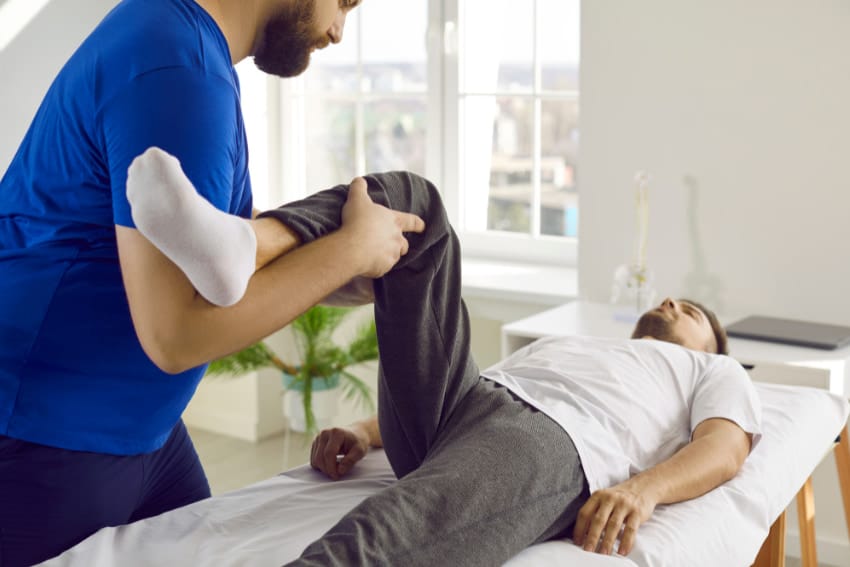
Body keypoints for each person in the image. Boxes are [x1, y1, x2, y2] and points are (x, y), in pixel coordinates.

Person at [120, 154, 761, 564]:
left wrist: (640, 492)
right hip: (468, 402)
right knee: (414, 204)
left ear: (709, 346)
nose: (676, 302)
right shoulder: (577, 343)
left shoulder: (713, 372)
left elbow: (726, 448)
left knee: (394, 528)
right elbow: (487, 379)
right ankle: (245, 245)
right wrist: (366, 432)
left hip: (555, 441)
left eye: (695, 314)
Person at [0, 1, 431, 565]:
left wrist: (338, 266)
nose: (337, 32)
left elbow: (199, 272)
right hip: (52, 437)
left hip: (141, 429)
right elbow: (175, 335)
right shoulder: (179, 71)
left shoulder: (178, 40)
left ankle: (263, 241)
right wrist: (346, 252)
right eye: (344, 2)